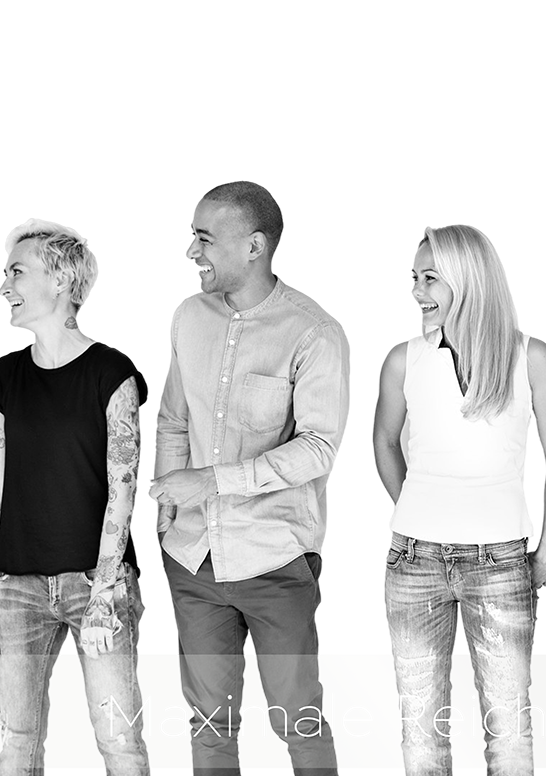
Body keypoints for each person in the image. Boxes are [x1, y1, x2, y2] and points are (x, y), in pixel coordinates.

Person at [150, 182, 348, 775]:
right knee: (209, 727)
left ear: (254, 246)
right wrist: (169, 506)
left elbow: (318, 449)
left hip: (273, 559)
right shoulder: (189, 316)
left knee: (299, 719)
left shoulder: (311, 333)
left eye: (205, 239)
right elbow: (174, 420)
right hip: (193, 560)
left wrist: (213, 481)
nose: (193, 253)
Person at [372, 225, 546, 775]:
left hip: (502, 560)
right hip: (415, 561)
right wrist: (417, 507)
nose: (417, 291)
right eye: (414, 278)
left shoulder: (529, 357)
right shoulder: (404, 360)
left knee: (510, 738)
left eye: (430, 278)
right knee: (421, 742)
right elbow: (384, 442)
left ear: (467, 279)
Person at [0, 220, 152, 775]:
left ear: (60, 280)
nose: (6, 286)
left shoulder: (112, 375)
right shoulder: (3, 378)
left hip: (95, 581)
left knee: (119, 744)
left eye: (17, 272)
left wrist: (104, 593)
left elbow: (122, 489)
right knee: (16, 748)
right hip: (19, 586)